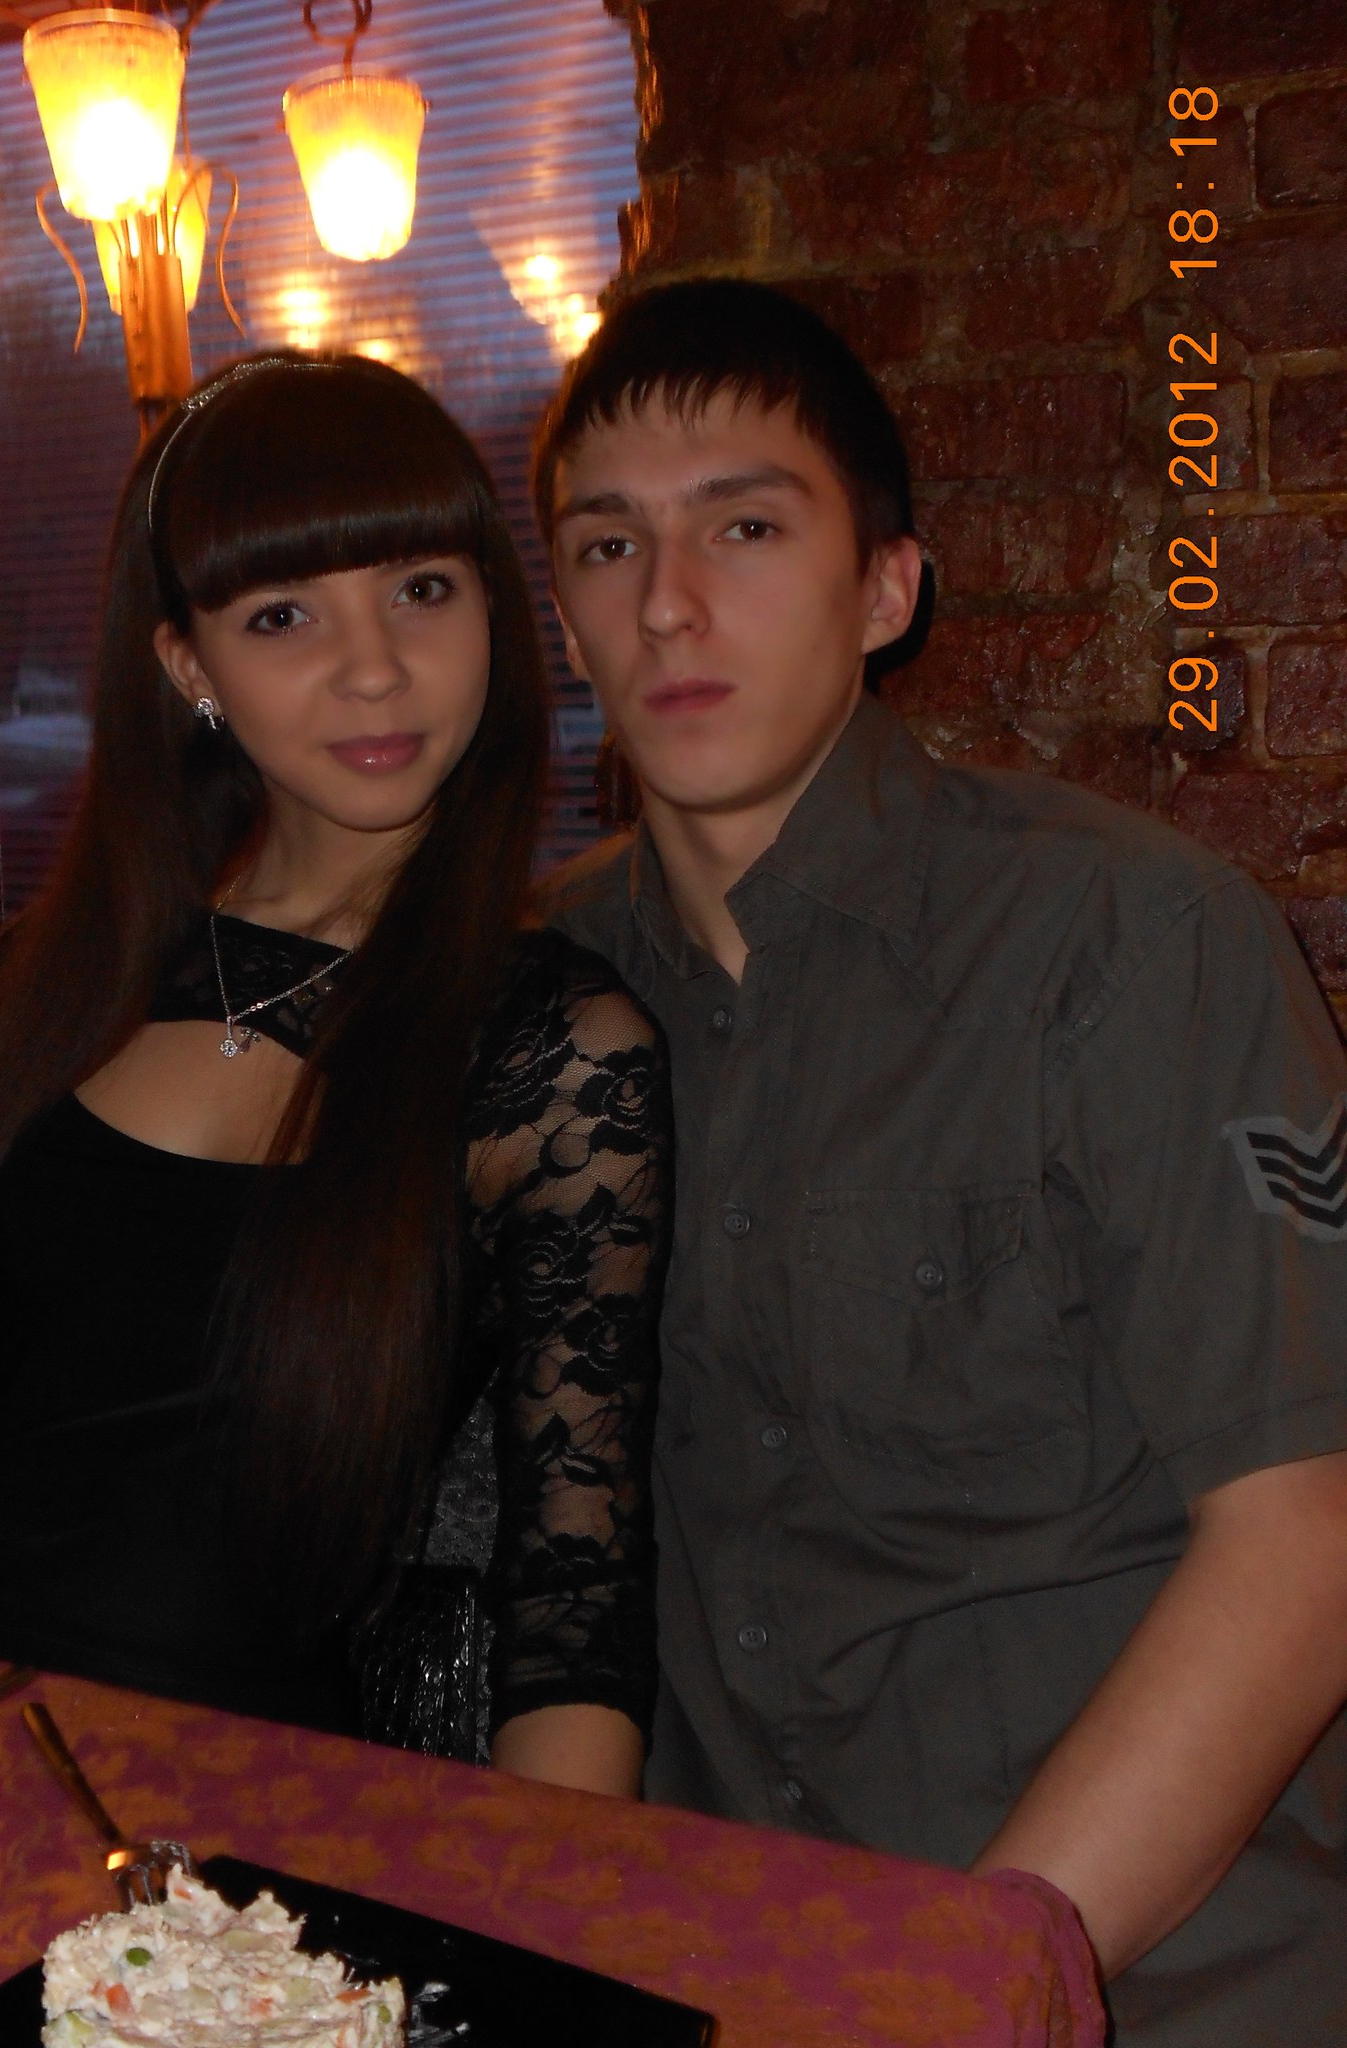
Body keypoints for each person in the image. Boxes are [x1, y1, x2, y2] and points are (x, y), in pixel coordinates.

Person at [535, 277, 1347, 2039]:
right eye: (608, 548)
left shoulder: (1130, 941)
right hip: (716, 1954)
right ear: (568, 625)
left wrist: (952, 1987)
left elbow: (1305, 1542)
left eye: (747, 526)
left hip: (1152, 1970)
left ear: (887, 588)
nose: (669, 600)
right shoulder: (535, 996)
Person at [0, 350, 670, 1797]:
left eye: (422, 589)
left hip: (253, 1847)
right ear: (187, 666)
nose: (374, 667)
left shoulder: (554, 1050)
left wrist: (540, 1908)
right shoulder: (55, 977)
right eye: (284, 614)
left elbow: (574, 1600)